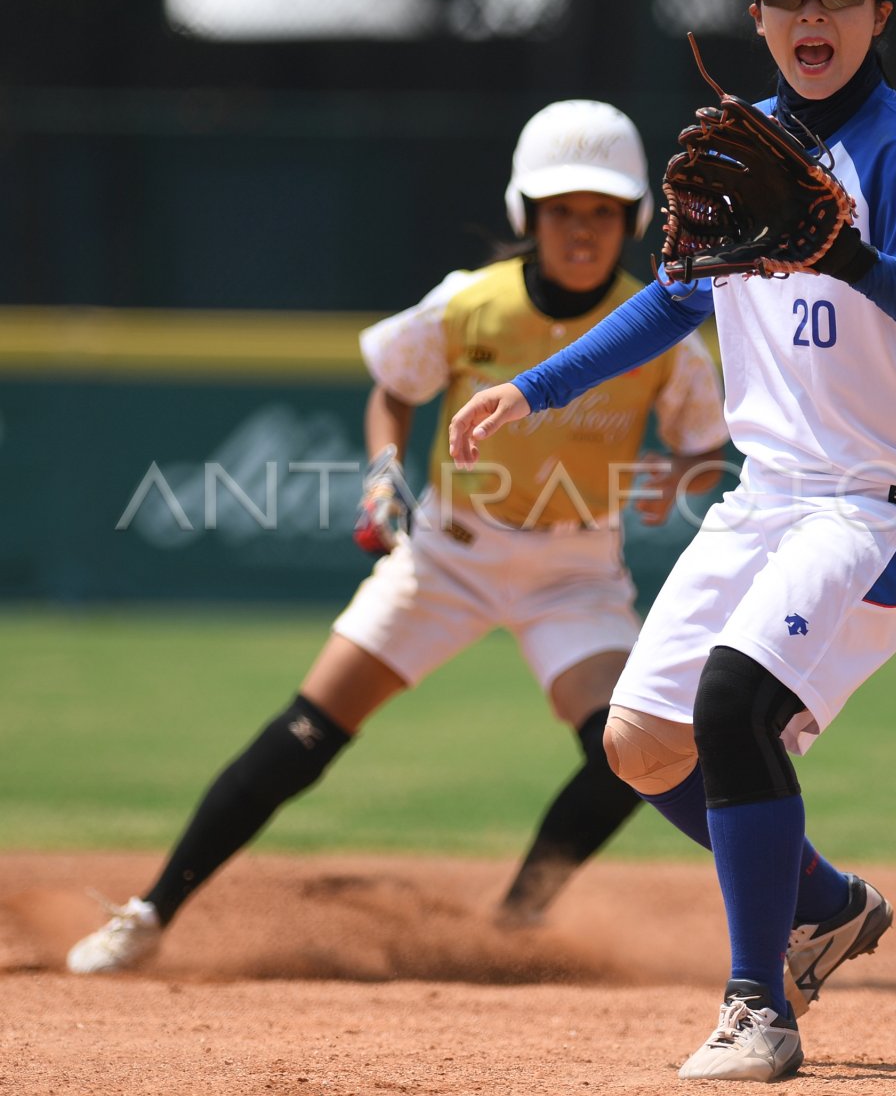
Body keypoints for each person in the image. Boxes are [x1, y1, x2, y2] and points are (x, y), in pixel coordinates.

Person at [449, 0, 896, 1083]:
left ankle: (760, 1008)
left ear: (876, 10)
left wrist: (850, 257)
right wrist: (536, 387)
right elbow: (676, 297)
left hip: (884, 501)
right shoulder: (741, 140)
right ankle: (827, 905)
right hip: (769, 497)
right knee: (641, 743)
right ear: (755, 14)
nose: (813, 12)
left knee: (736, 704)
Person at [67, 99, 728, 975]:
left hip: (574, 571)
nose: (582, 230)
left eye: (603, 212)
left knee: (628, 752)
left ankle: (516, 919)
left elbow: (704, 445)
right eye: (563, 210)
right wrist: (385, 470)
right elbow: (395, 383)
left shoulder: (658, 326)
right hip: (448, 556)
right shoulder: (469, 302)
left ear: (635, 219)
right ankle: (150, 913)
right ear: (526, 214)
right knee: (305, 733)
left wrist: (676, 481)